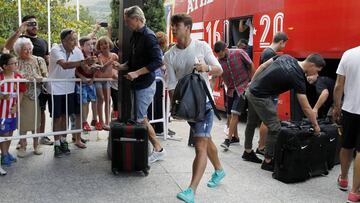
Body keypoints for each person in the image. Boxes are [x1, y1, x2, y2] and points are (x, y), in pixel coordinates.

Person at [164, 13, 225, 203]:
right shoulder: (169, 55)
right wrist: (176, 109)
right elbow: (172, 85)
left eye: (177, 26)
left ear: (188, 28)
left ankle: (191, 190)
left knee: (200, 145)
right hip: (187, 108)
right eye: (172, 26)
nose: (173, 29)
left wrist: (206, 68)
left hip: (204, 105)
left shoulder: (202, 46)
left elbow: (219, 69)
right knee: (206, 140)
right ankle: (220, 171)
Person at [245, 53, 325, 172]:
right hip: (260, 97)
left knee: (251, 123)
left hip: (251, 91)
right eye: (317, 70)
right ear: (312, 65)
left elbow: (262, 66)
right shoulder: (297, 77)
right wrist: (315, 125)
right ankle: (268, 161)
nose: (316, 74)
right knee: (275, 127)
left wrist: (253, 83)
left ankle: (247, 152)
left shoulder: (287, 57)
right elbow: (306, 107)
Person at [123, 6, 166, 164]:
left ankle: (158, 149)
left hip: (145, 84)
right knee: (140, 119)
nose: (127, 24)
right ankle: (150, 149)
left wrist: (137, 73)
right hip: (138, 84)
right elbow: (134, 60)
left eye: (128, 21)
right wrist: (122, 66)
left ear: (137, 19)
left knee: (141, 119)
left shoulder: (149, 36)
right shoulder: (135, 35)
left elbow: (157, 61)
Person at [5, 15, 53, 146]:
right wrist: (19, 30)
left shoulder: (43, 41)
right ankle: (23, 143)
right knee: (23, 118)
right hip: (21, 93)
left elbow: (47, 59)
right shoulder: (20, 38)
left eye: (35, 23)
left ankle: (40, 139)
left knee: (40, 113)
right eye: (30, 23)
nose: (34, 26)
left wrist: (44, 76)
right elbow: (7, 48)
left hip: (37, 90)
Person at [47, 29, 94, 156]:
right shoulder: (56, 50)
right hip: (55, 88)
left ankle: (63, 141)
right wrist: (83, 62)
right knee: (57, 117)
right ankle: (56, 144)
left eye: (75, 39)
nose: (74, 42)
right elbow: (65, 65)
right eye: (71, 39)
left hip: (69, 87)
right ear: (63, 41)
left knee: (65, 116)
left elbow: (85, 69)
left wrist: (95, 66)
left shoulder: (78, 51)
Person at [213, 41, 261, 163]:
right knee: (229, 115)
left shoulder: (239, 53)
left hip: (243, 87)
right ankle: (235, 138)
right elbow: (216, 75)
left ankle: (228, 140)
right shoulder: (219, 61)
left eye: (220, 54)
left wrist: (253, 82)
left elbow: (250, 65)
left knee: (235, 113)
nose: (219, 57)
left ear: (225, 49)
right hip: (230, 89)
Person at [333, 46, 360, 203]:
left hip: (349, 109)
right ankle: (355, 192)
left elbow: (338, 85)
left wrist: (337, 107)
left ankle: (343, 179)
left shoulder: (348, 54)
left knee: (347, 145)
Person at [14, 37, 47, 157]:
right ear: (18, 51)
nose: (28, 51)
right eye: (25, 49)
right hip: (21, 97)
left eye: (29, 49)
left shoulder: (39, 60)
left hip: (35, 95)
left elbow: (46, 76)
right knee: (22, 124)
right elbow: (12, 77)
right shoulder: (15, 62)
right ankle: (23, 146)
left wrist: (40, 79)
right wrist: (23, 79)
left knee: (36, 122)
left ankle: (36, 145)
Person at [256, 32, 288, 155]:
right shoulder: (270, 54)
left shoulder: (265, 52)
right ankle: (262, 147)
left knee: (266, 120)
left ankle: (261, 144)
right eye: (284, 44)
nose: (284, 47)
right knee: (267, 121)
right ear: (281, 42)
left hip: (266, 91)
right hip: (269, 92)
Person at [0, 54, 26, 169]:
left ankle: (7, 152)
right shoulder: (0, 78)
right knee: (4, 133)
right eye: (13, 63)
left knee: (10, 133)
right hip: (2, 113)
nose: (16, 65)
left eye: (16, 63)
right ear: (5, 66)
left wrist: (17, 106)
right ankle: (4, 154)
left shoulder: (18, 77)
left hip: (13, 111)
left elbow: (21, 92)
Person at [76, 36, 102, 131]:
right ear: (82, 46)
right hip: (81, 83)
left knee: (94, 100)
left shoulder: (93, 55)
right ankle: (84, 121)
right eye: (88, 44)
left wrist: (93, 78)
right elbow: (75, 69)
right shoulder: (79, 55)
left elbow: (95, 68)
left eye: (92, 44)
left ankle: (95, 119)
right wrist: (81, 77)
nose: (91, 46)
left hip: (91, 82)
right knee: (84, 102)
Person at [94, 36, 119, 131]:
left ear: (109, 44)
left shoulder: (115, 55)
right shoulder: (100, 56)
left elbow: (117, 67)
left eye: (105, 43)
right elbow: (102, 68)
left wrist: (115, 73)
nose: (104, 45)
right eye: (101, 44)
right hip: (99, 80)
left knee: (108, 100)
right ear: (99, 47)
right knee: (101, 99)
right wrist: (111, 61)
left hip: (108, 80)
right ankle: (101, 121)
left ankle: (107, 122)